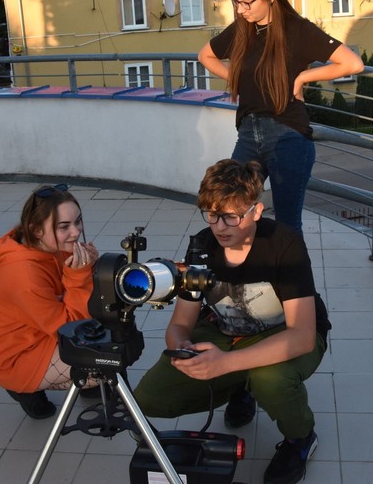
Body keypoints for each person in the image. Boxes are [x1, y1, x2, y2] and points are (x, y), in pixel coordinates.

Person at [134, 159, 330, 484]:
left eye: (231, 216)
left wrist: (224, 364)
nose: (220, 227)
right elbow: (181, 324)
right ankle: (241, 384)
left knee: (271, 379)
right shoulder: (202, 246)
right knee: (149, 398)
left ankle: (300, 438)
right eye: (212, 214)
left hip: (284, 332)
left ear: (256, 211)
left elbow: (302, 336)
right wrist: (181, 348)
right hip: (226, 331)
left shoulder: (284, 244)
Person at [198, 0, 364, 233]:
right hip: (249, 134)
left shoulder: (297, 29)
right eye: (237, 2)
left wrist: (302, 78)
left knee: (287, 224)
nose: (241, 10)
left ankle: (291, 276)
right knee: (231, 209)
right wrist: (237, 78)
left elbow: (352, 63)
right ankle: (243, 271)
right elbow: (205, 55)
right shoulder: (242, 29)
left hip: (288, 136)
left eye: (247, 2)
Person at [0, 183, 99, 419]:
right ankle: (22, 387)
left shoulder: (48, 244)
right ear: (36, 230)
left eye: (77, 221)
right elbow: (71, 331)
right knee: (105, 367)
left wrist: (90, 270)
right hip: (15, 354)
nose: (75, 232)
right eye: (64, 226)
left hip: (41, 332)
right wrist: (80, 276)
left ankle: (89, 387)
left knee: (112, 327)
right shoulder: (23, 274)